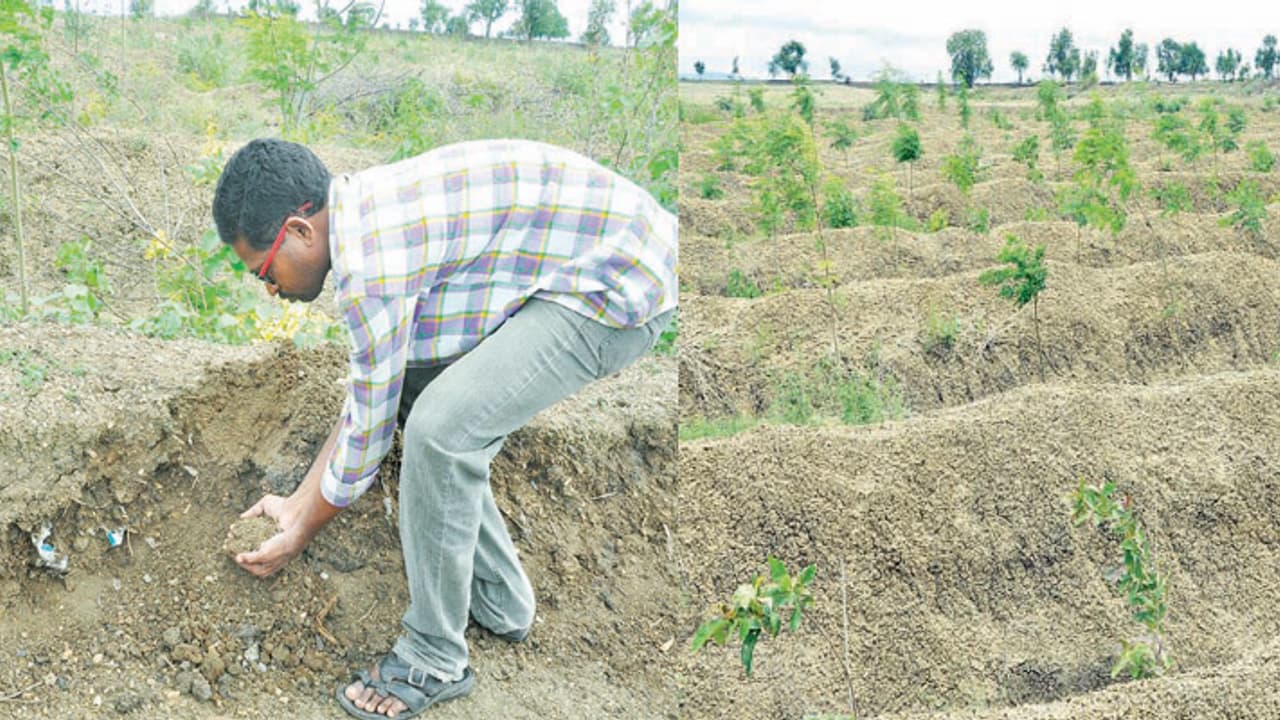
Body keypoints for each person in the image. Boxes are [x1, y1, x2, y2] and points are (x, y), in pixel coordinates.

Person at [211, 137, 676, 719]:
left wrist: (301, 527)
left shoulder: (371, 263)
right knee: (422, 394)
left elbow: (369, 441)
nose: (272, 288)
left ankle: (433, 655)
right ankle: (501, 602)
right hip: (584, 260)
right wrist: (297, 499)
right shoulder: (362, 214)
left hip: (619, 285)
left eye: (265, 272)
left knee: (439, 430)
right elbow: (372, 394)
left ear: (301, 230)